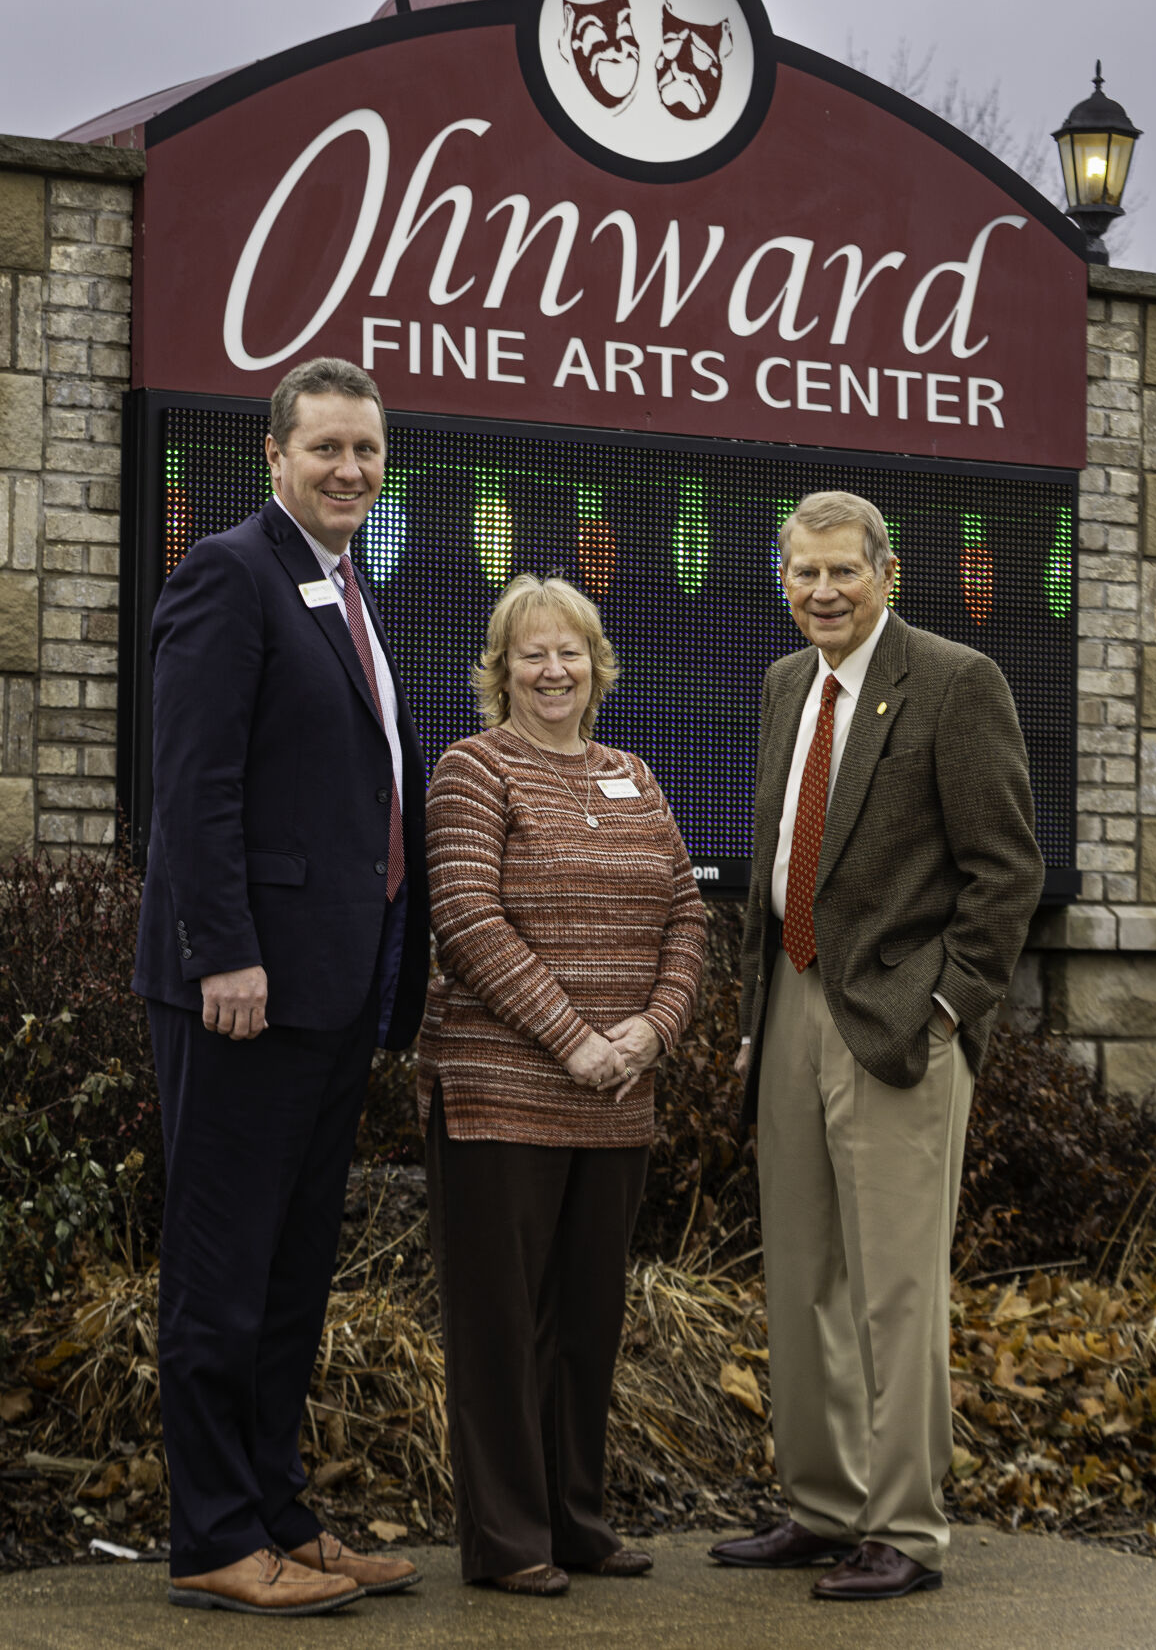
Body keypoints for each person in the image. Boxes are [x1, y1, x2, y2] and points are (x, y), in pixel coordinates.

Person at [133, 356, 431, 1615]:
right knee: (222, 1267)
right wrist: (224, 953)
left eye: (366, 450)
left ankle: (279, 1514)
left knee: (291, 1272)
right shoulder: (227, 574)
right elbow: (192, 787)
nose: (350, 469)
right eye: (326, 449)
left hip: (330, 995)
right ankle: (210, 1535)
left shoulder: (349, 589)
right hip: (240, 990)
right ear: (274, 455)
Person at [710, 491, 1043, 1600]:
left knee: (893, 1288)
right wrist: (756, 1021)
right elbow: (771, 861)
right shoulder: (781, 684)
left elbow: (1006, 871)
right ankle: (819, 1503)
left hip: (897, 1025)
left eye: (841, 571)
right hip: (792, 1000)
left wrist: (944, 1009)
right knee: (800, 1274)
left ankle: (902, 1524)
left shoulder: (954, 682)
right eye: (800, 573)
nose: (820, 592)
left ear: (886, 571)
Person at [419, 574, 707, 1597]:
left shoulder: (632, 771)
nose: (553, 670)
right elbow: (466, 918)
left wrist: (648, 1029)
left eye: (570, 652)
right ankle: (507, 1537)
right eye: (531, 654)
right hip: (500, 1092)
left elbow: (686, 914)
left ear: (597, 666)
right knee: (499, 1324)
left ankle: (576, 1517)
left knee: (585, 1322)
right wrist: (572, 1037)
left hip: (618, 1096)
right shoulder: (472, 770)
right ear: (500, 671)